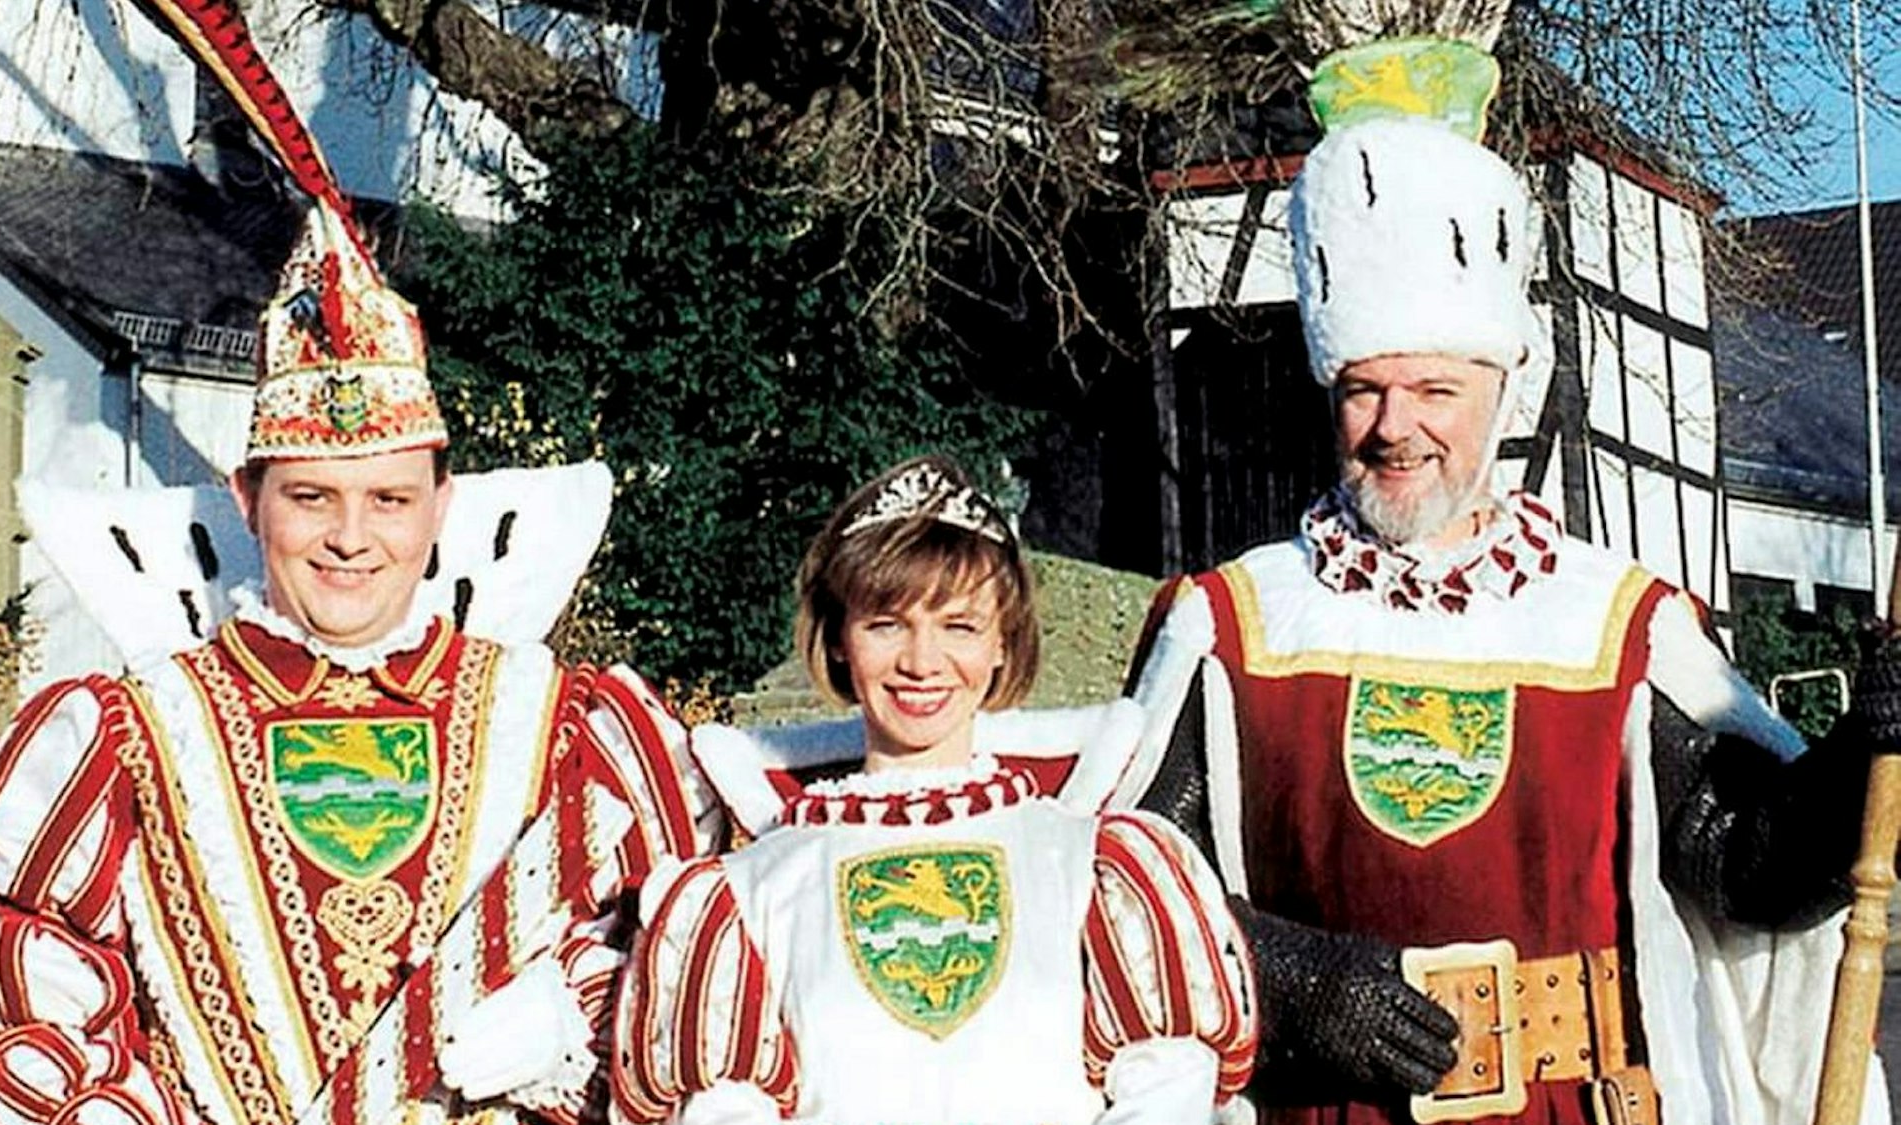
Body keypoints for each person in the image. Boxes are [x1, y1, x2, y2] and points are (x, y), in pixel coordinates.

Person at [0, 14, 711, 1125]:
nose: (350, 537)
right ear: (247, 500)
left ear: (441, 506)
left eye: (389, 500)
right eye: (311, 497)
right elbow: (10, 969)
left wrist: (570, 1021)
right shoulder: (136, 735)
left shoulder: (561, 731)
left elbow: (693, 951)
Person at [1124, 17, 1895, 1125]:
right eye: (1364, 390)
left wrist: (1862, 754)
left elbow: (1746, 866)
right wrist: (1289, 982)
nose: (1395, 427)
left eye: (1433, 390)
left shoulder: (1612, 627)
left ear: (1500, 390)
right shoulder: (1235, 628)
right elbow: (1130, 889)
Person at [610, 455, 1260, 1125]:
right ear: (839, 640)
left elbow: (1167, 1087)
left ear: (1003, 643)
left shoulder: (1085, 864)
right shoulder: (754, 888)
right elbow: (727, 1110)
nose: (922, 662)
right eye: (886, 623)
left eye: (959, 626)